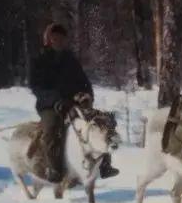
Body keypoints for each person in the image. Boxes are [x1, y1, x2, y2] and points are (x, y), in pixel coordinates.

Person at [29, 23, 118, 182]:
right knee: (52, 128)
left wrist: (87, 95)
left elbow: (84, 82)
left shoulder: (70, 59)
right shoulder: (39, 60)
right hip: (50, 105)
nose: (59, 41)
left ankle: (105, 164)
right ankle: (54, 169)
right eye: (55, 38)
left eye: (62, 38)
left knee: (101, 121)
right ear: (48, 40)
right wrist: (54, 99)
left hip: (74, 103)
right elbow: (36, 87)